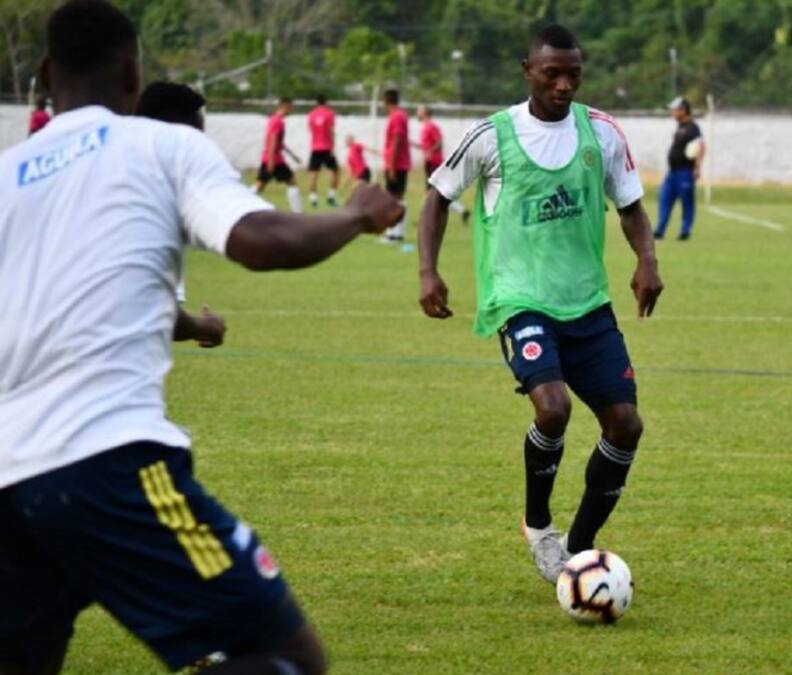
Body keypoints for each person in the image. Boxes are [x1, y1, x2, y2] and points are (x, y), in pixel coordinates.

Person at [0, 3, 402, 673]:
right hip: (104, 462)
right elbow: (262, 240)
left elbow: (77, 294)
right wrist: (358, 214)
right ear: (132, 72)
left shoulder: (6, 177)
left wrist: (193, 322)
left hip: (8, 481)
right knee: (285, 655)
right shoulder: (162, 144)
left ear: (42, 73)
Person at [419, 24, 664, 584]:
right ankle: (539, 527)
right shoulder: (491, 135)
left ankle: (579, 548)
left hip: (587, 303)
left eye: (573, 74)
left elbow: (629, 206)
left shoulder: (600, 132)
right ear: (527, 69)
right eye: (552, 73)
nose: (563, 84)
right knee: (553, 408)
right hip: (520, 299)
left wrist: (646, 259)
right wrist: (428, 270)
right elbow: (436, 197)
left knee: (625, 424)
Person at [135, 80, 226, 349]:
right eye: (195, 137)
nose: (202, 146)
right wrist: (202, 327)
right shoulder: (140, 199)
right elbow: (151, 312)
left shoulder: (158, 188)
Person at [653, 96, 703, 241]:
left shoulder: (693, 127)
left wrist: (697, 167)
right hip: (672, 172)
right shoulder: (680, 127)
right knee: (664, 197)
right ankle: (659, 231)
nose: (672, 113)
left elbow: (700, 146)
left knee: (687, 202)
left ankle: (685, 231)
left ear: (683, 110)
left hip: (685, 172)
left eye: (675, 110)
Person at [413, 104, 469, 225]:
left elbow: (439, 142)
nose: (417, 112)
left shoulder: (432, 126)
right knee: (434, 193)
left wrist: (430, 152)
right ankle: (462, 210)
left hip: (434, 163)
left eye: (419, 110)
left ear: (425, 112)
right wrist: (414, 145)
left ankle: (424, 220)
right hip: (429, 163)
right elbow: (426, 147)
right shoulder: (425, 127)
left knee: (432, 193)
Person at [254, 96, 303, 213]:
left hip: (272, 159)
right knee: (291, 182)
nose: (292, 110)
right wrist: (271, 161)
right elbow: (273, 141)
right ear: (284, 106)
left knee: (260, 185)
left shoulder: (274, 119)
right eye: (291, 107)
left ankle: (298, 213)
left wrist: (293, 156)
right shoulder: (277, 121)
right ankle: (298, 213)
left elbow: (279, 142)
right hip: (274, 160)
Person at [379, 89, 411, 243]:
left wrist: (391, 166)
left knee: (393, 199)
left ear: (386, 101)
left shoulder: (397, 116)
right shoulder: (400, 115)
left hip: (397, 164)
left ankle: (394, 234)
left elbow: (397, 140)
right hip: (398, 163)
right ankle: (396, 234)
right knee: (396, 198)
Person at [306, 94, 339, 208]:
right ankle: (331, 197)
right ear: (326, 102)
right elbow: (331, 131)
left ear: (316, 102)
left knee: (313, 173)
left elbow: (310, 129)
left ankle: (313, 199)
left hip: (315, 148)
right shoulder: (330, 113)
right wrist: (332, 145)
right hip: (326, 147)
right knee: (335, 171)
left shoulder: (311, 114)